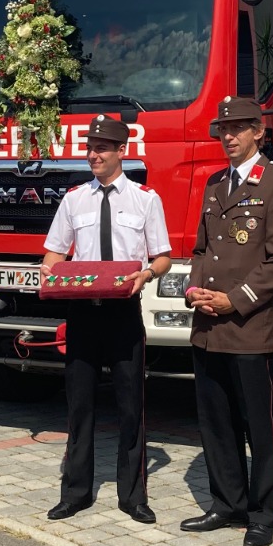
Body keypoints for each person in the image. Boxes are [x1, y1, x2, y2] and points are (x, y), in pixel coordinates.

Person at [180, 96, 273, 546]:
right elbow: (201, 250)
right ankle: (226, 503)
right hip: (208, 326)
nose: (228, 136)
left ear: (259, 132)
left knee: (260, 427)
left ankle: (263, 514)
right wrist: (195, 289)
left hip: (249, 326)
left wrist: (234, 300)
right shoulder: (215, 183)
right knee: (216, 421)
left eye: (238, 128)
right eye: (223, 129)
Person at [40, 114, 172, 525]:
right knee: (79, 406)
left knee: (131, 406)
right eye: (90, 148)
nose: (93, 155)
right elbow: (55, 251)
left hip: (122, 313)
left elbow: (163, 257)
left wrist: (147, 274)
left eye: (101, 148)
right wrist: (48, 269)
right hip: (82, 313)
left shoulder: (145, 199)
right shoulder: (74, 198)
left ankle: (133, 496)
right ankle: (75, 493)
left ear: (121, 152)